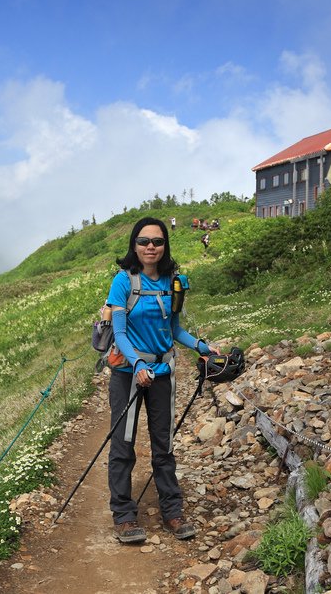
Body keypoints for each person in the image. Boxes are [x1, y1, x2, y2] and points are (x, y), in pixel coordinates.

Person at [105, 217, 216, 544]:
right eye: (143, 241)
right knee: (123, 445)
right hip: (128, 374)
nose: (150, 247)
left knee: (163, 444)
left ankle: (173, 511)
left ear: (165, 245)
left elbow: (175, 330)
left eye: (157, 241)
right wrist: (137, 361)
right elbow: (120, 332)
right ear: (134, 245)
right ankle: (124, 516)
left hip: (162, 374)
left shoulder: (174, 282)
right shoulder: (123, 282)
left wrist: (203, 347)